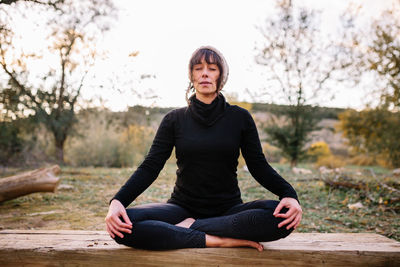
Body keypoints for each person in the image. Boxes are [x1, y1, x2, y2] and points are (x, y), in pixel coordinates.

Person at [105, 46, 302, 251]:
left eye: (212, 68)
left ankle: (191, 228)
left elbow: (258, 166)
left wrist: (289, 194)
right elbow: (150, 166)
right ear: (191, 76)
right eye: (198, 68)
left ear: (221, 76)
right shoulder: (174, 119)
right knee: (124, 223)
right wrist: (118, 201)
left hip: (228, 211)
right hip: (180, 209)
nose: (205, 73)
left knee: (278, 213)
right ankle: (215, 239)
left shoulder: (240, 118)